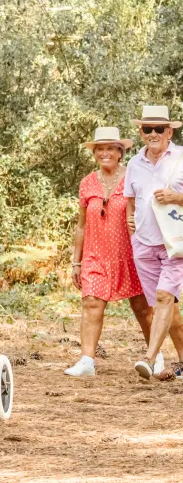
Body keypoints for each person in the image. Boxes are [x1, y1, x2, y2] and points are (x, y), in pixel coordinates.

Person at [65, 126, 162, 378]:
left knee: (142, 308)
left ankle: (156, 356)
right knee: (91, 303)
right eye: (100, 149)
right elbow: (81, 225)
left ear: (120, 153)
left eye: (110, 148)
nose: (104, 153)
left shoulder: (134, 176)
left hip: (130, 253)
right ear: (94, 153)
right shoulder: (87, 183)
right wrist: (76, 262)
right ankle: (87, 360)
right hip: (95, 254)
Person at [125, 105, 183, 380]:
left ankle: (149, 359)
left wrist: (176, 198)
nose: (153, 133)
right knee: (166, 306)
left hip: (175, 242)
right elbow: (130, 200)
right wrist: (129, 220)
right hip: (144, 244)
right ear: (141, 132)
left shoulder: (181, 157)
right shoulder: (135, 163)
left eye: (159, 129)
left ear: (169, 131)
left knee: (163, 298)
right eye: (148, 129)